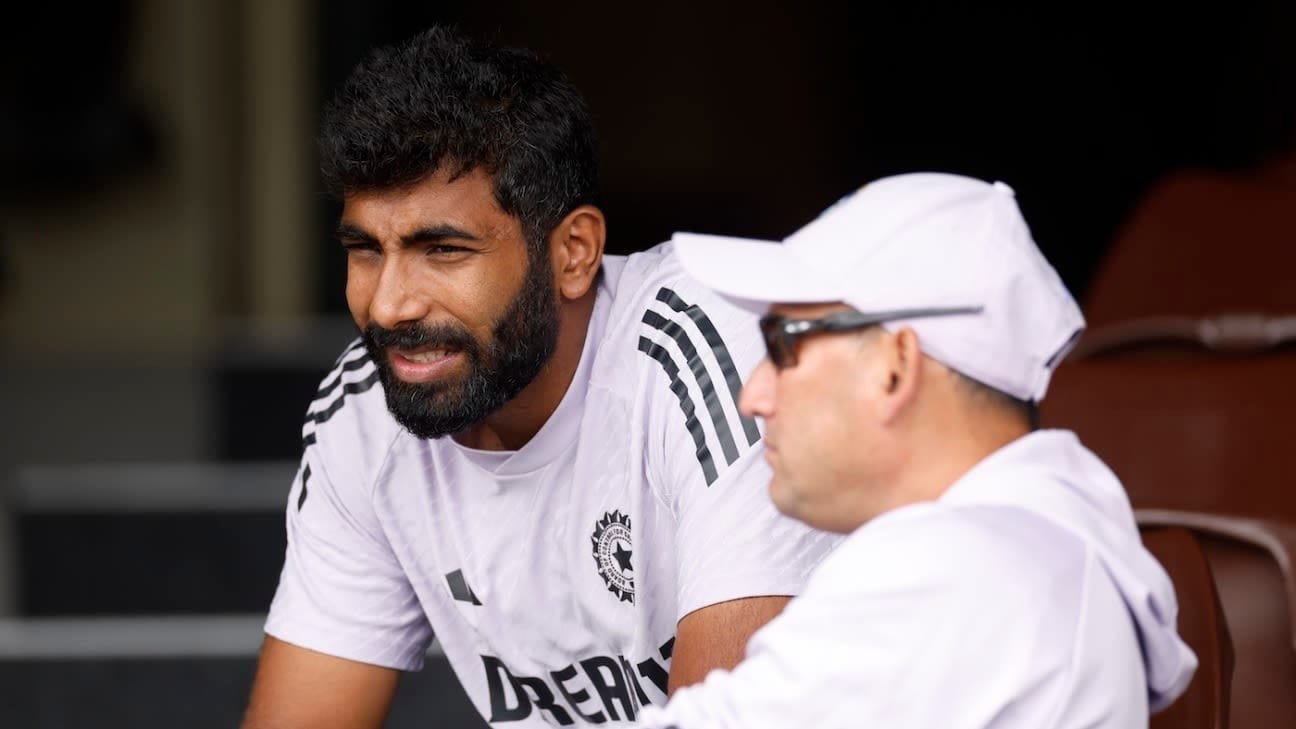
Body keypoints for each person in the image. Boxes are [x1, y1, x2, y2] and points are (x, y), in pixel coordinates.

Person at [239, 26, 840, 729]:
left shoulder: (705, 357)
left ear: (574, 252)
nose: (390, 305)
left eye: (444, 250)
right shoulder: (364, 413)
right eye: (366, 250)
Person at [634, 172, 1199, 728]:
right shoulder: (1034, 548)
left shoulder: (952, 568)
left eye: (783, 346)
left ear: (895, 365)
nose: (753, 396)